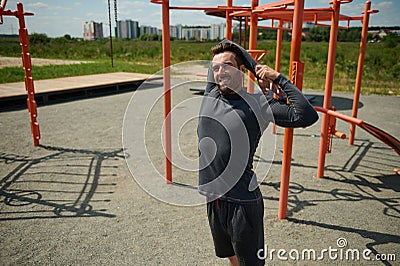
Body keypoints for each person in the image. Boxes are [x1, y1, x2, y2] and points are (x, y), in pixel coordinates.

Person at [197, 40, 318, 266]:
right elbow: (228, 44)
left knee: (250, 263)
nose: (220, 72)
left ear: (241, 70)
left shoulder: (258, 105)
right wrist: (248, 66)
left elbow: (307, 115)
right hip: (213, 197)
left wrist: (276, 78)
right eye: (216, 68)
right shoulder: (211, 93)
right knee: (228, 254)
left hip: (242, 200)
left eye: (227, 66)